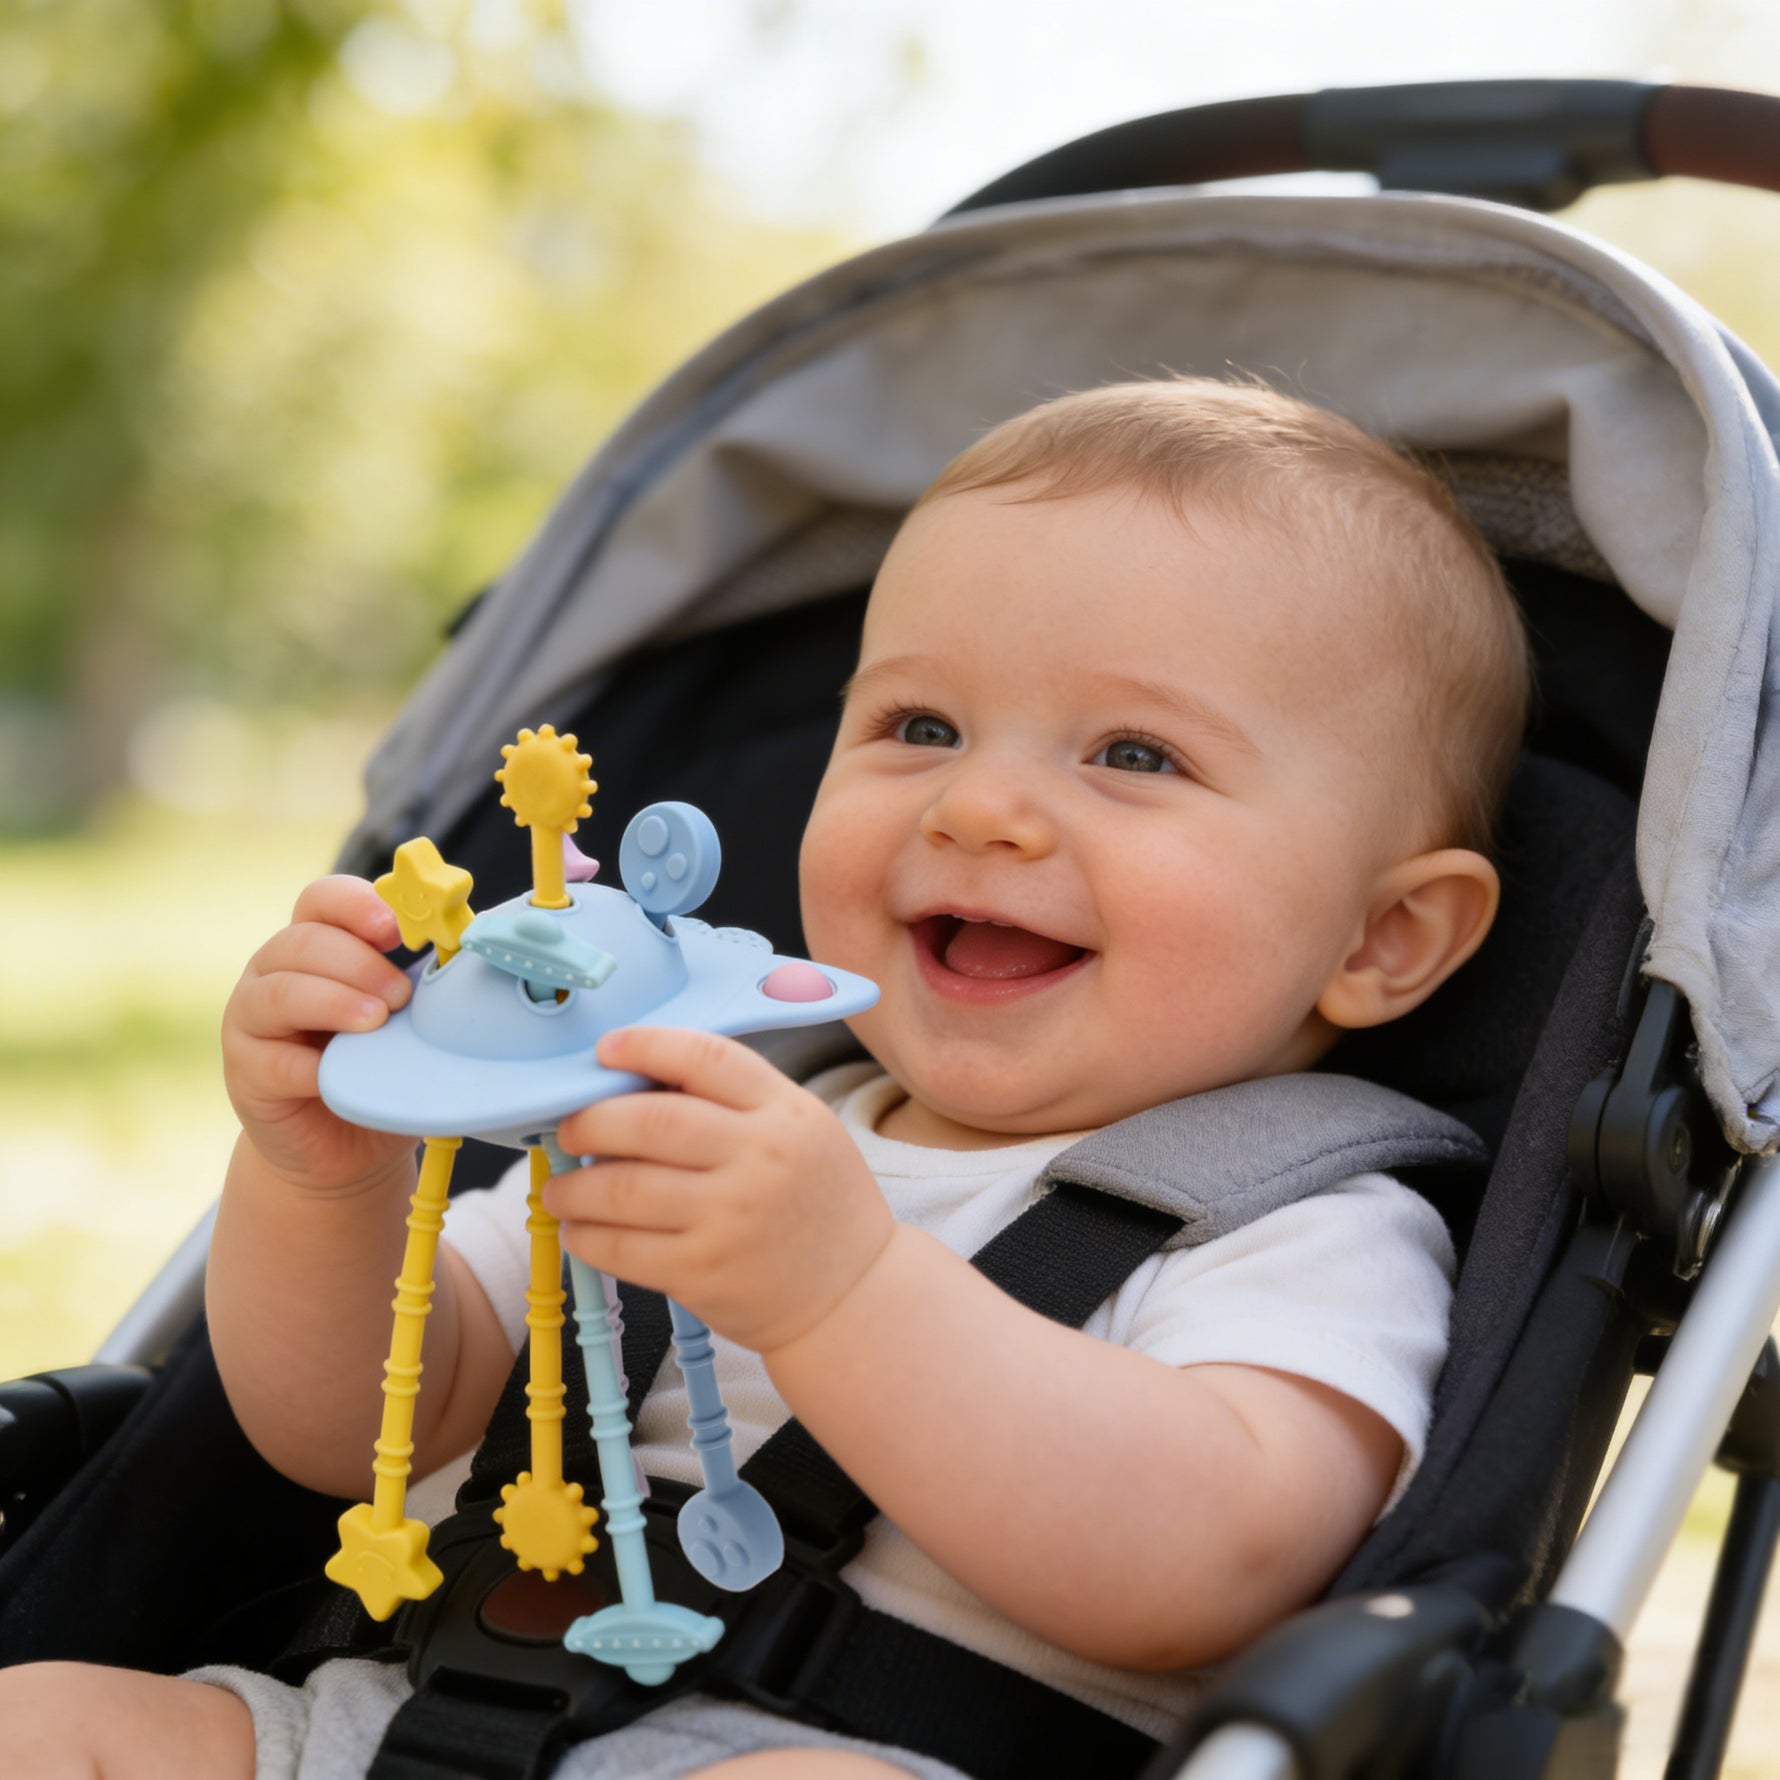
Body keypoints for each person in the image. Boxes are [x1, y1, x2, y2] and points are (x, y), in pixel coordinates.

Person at [0, 377, 1530, 1779]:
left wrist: (841, 1292)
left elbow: (1203, 1568)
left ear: (1388, 939)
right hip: (397, 1725)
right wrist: (327, 1174)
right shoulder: (684, 1103)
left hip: (866, 1752)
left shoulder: (1304, 1223)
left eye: (1136, 756)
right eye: (918, 725)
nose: (980, 803)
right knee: (45, 1723)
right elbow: (354, 1427)